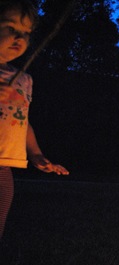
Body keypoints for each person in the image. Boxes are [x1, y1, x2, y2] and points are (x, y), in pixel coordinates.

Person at [0, 0, 68, 240]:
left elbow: (21, 121)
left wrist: (35, 153)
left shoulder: (22, 79)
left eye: (26, 33)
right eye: (11, 28)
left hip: (4, 169)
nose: (20, 37)